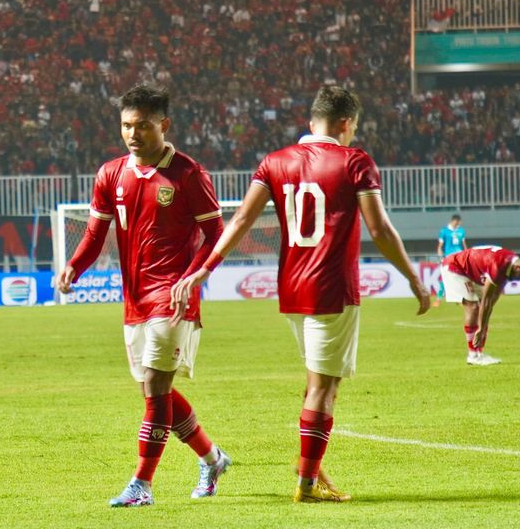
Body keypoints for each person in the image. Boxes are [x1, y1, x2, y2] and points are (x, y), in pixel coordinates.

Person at [170, 85, 430, 503]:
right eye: (353, 128)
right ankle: (308, 483)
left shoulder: (274, 162)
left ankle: (311, 465)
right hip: (332, 289)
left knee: (317, 382)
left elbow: (239, 220)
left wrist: (204, 269)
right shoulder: (355, 161)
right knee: (324, 388)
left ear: (312, 123)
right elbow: (380, 229)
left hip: (291, 287)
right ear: (347, 124)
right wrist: (415, 279)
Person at [57, 84, 230, 508]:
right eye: (126, 126)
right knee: (157, 395)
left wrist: (193, 277)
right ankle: (212, 458)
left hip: (173, 297)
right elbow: (96, 233)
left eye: (142, 126)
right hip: (133, 299)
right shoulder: (111, 174)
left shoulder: (188, 175)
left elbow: (216, 236)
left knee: (155, 385)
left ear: (163, 125)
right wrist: (74, 267)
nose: (133, 134)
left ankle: (141, 485)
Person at [441, 246, 520, 366]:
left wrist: (484, 321)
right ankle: (473, 355)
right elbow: (486, 300)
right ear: (518, 268)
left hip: (470, 271)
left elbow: (492, 299)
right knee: (473, 307)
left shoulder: (510, 267)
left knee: (482, 310)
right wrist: (481, 328)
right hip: (455, 267)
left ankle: (479, 354)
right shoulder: (499, 266)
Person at [434, 214, 467, 306]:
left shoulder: (461, 231)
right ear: (455, 221)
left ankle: (458, 299)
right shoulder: (444, 231)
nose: (459, 224)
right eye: (459, 222)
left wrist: (466, 256)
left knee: (460, 279)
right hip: (449, 258)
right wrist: (440, 257)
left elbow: (464, 245)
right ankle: (438, 299)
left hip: (459, 258)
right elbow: (440, 246)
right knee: (445, 279)